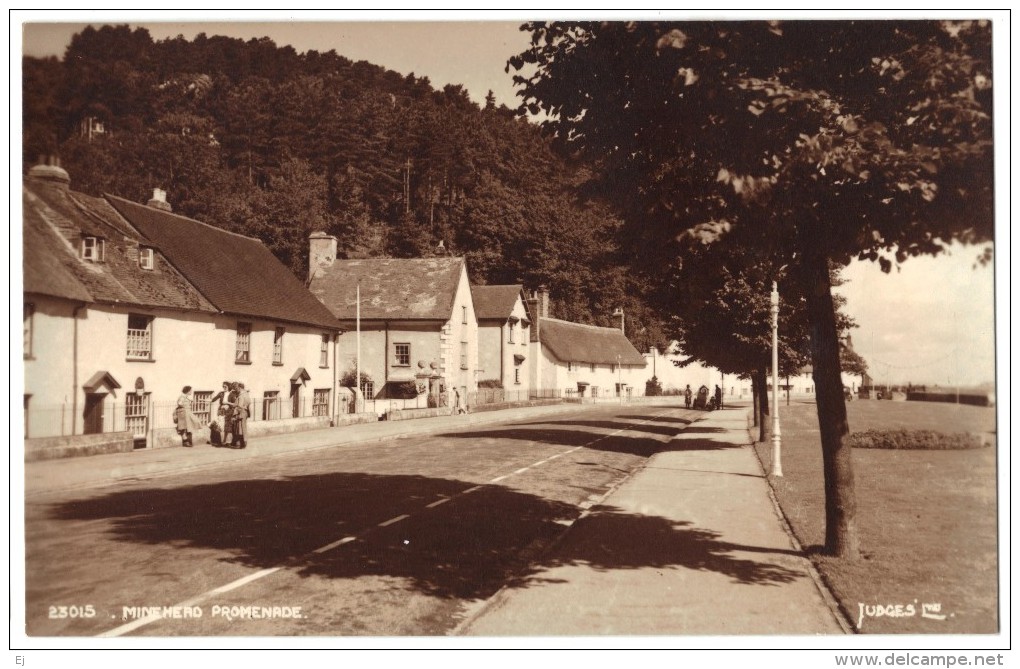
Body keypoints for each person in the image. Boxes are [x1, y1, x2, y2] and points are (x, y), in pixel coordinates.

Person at [209, 381, 232, 447]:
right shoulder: (221, 393)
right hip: (221, 411)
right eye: (223, 386)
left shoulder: (232, 394)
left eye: (225, 386)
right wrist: (204, 400)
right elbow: (213, 399)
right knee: (218, 425)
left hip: (228, 412)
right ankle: (218, 441)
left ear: (229, 387)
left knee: (227, 427)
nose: (224, 388)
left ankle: (226, 441)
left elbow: (235, 403)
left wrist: (228, 404)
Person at [232, 382, 251, 449]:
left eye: (236, 388)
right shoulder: (246, 394)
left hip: (241, 413)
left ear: (239, 388)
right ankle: (243, 443)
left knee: (240, 429)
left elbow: (239, 406)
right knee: (243, 428)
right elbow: (249, 402)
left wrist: (235, 415)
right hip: (245, 412)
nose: (235, 390)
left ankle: (242, 444)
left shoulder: (241, 396)